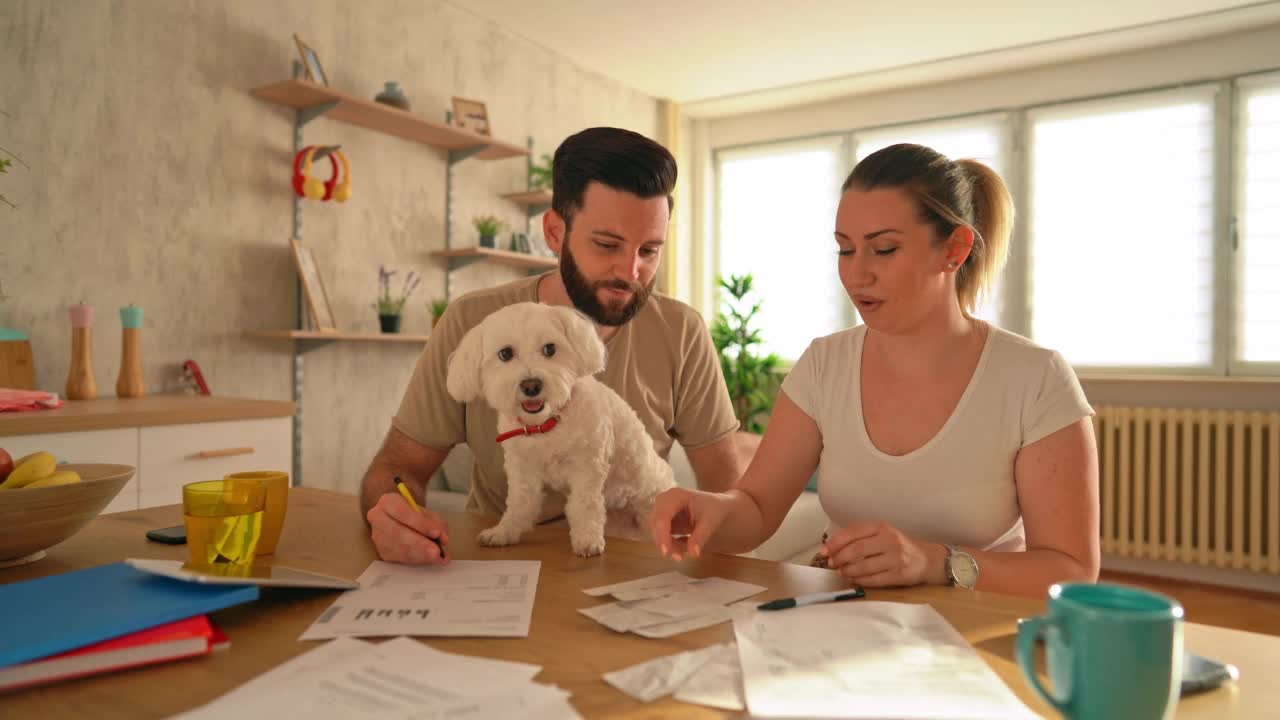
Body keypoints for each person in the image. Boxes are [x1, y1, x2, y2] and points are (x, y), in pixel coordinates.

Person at [649, 143, 1100, 598]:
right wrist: (711, 510)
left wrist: (935, 562)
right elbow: (757, 508)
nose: (856, 275)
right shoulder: (824, 365)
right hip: (843, 623)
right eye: (845, 251)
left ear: (955, 249)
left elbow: (1072, 570)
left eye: (884, 250)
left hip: (973, 638)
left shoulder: (1035, 379)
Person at [361, 127, 743, 565]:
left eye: (650, 250)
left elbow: (731, 495)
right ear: (555, 231)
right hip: (496, 573)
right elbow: (397, 468)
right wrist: (388, 515)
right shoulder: (472, 322)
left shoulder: (682, 331)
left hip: (629, 573)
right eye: (607, 245)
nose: (632, 271)